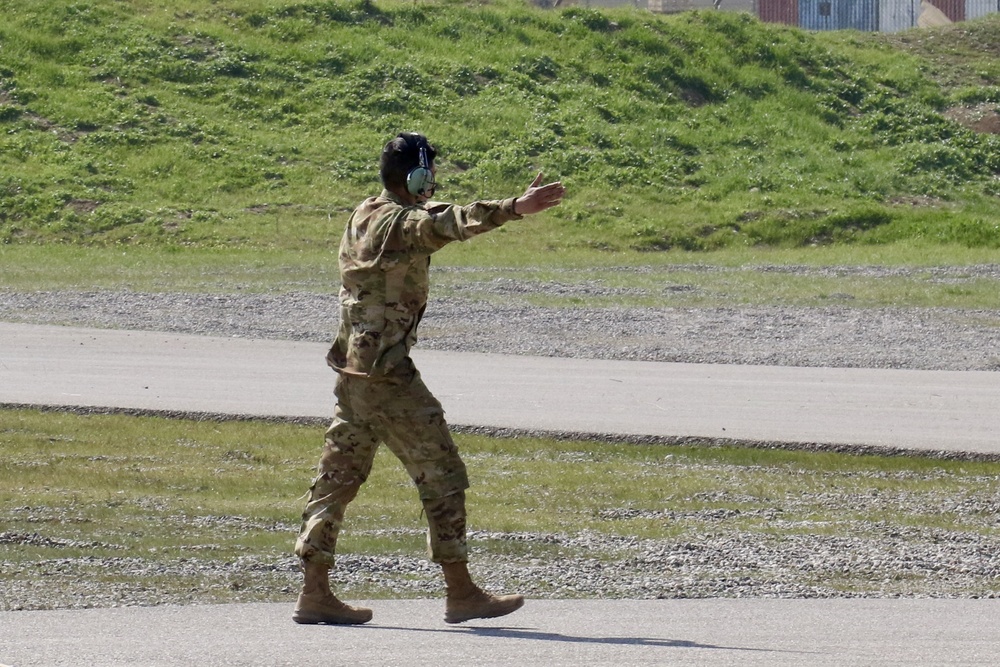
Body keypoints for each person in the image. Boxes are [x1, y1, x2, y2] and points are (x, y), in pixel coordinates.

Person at [293, 132, 566, 625]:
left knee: (336, 480)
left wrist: (501, 206)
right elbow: (445, 223)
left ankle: (314, 591)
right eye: (428, 175)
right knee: (442, 475)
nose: (432, 182)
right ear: (416, 178)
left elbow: (432, 214)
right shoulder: (403, 225)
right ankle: (460, 592)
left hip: (353, 374)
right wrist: (513, 208)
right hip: (389, 378)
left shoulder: (365, 213)